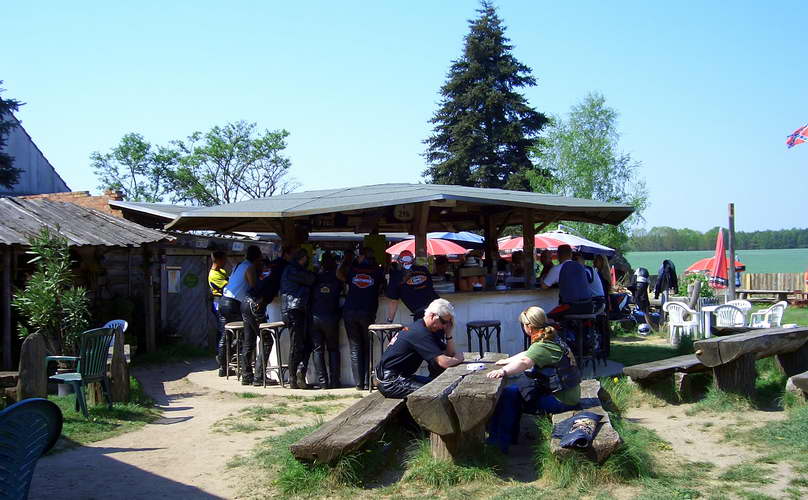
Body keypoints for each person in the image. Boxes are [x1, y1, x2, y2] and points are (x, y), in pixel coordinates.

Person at [486, 306, 581, 452]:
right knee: (512, 392)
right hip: (568, 394)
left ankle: (499, 443)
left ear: (529, 327)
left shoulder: (543, 344)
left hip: (562, 400)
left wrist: (503, 371)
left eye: (523, 325)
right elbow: (529, 354)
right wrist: (508, 360)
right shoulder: (551, 336)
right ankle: (504, 438)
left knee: (510, 396)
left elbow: (525, 362)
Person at [376, 298, 464, 399]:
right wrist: (460, 358)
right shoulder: (420, 332)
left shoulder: (424, 328)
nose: (444, 326)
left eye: (448, 323)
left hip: (398, 378)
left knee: (442, 385)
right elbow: (443, 362)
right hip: (391, 382)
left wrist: (448, 333)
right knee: (438, 393)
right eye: (444, 322)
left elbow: (449, 353)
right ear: (432, 316)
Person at [340, 247, 385, 390]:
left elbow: (339, 274)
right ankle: (367, 382)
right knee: (367, 347)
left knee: (355, 348)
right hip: (367, 311)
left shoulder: (353, 269)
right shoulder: (378, 271)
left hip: (350, 311)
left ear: (361, 257)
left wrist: (351, 261)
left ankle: (359, 384)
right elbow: (383, 288)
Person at [222, 245, 263, 385]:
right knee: (245, 337)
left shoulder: (239, 265)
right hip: (234, 303)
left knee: (227, 335)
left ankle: (224, 367)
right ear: (258, 257)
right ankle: (244, 371)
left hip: (224, 301)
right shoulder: (250, 267)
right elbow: (254, 286)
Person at [280, 248, 316, 389]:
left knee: (303, 343)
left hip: (295, 310)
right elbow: (311, 279)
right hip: (294, 310)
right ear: (302, 259)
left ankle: (298, 373)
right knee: (297, 344)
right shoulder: (293, 269)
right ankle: (293, 378)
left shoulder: (291, 269)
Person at [310, 253, 343, 388]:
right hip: (331, 316)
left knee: (318, 350)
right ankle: (334, 381)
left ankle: (323, 382)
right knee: (333, 349)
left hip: (315, 316)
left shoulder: (315, 278)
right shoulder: (337, 279)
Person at [540, 244, 593, 319]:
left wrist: (542, 278)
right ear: (571, 255)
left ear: (558, 255)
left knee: (546, 318)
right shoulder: (580, 267)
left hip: (571, 307)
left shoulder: (557, 269)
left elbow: (544, 286)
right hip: (588, 305)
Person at [385, 250, 439, 322]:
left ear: (399, 261)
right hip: (438, 307)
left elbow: (393, 301)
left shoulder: (396, 276)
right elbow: (430, 287)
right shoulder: (423, 269)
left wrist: (389, 321)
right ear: (413, 260)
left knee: (423, 332)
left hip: (423, 314)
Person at [208, 251, 230, 377]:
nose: (226, 262)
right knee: (222, 330)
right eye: (224, 259)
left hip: (223, 301)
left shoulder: (222, 271)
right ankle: (221, 360)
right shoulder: (213, 275)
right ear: (217, 260)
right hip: (218, 302)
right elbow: (228, 286)